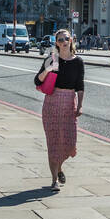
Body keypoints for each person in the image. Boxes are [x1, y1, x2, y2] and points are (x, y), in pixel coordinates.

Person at [34, 28, 83, 190]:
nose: (63, 42)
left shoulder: (78, 62)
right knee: (53, 142)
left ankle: (59, 167)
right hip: (52, 103)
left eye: (66, 39)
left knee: (69, 143)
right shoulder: (52, 59)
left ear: (71, 40)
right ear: (56, 43)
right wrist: (48, 69)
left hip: (69, 103)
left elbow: (80, 85)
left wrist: (80, 105)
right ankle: (54, 179)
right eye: (60, 40)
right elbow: (37, 81)